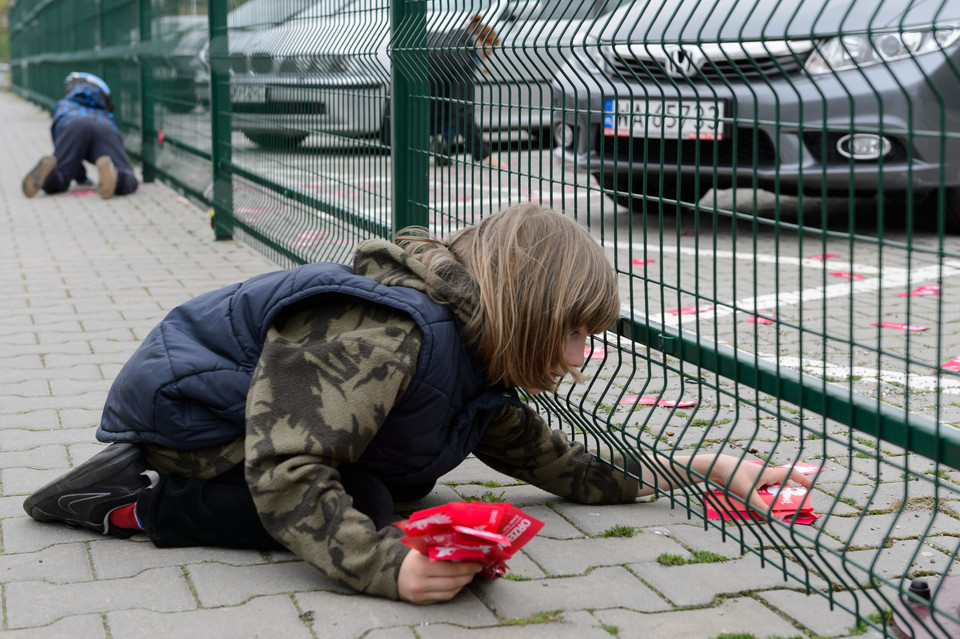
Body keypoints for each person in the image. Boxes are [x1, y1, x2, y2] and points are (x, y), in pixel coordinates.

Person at [23, 204, 808, 604]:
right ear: (530, 310)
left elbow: (557, 464)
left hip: (252, 406)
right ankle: (132, 505)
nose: (580, 356)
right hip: (187, 408)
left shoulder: (474, 365)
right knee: (364, 496)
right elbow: (288, 468)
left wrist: (695, 469)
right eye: (573, 332)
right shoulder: (390, 333)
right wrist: (388, 568)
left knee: (403, 484)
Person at [22, 72, 139, 200]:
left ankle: (50, 176)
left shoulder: (64, 106)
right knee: (126, 173)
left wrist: (79, 176)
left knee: (62, 174)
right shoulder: (103, 112)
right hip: (104, 127)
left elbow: (63, 143)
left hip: (73, 124)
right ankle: (117, 176)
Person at [427, 17, 504, 169]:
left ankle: (431, 142)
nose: (484, 59)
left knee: (446, 99)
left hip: (408, 110)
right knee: (457, 109)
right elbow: (463, 111)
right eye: (486, 54)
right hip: (431, 107)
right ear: (480, 41)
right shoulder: (463, 57)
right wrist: (484, 154)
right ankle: (442, 139)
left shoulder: (445, 39)